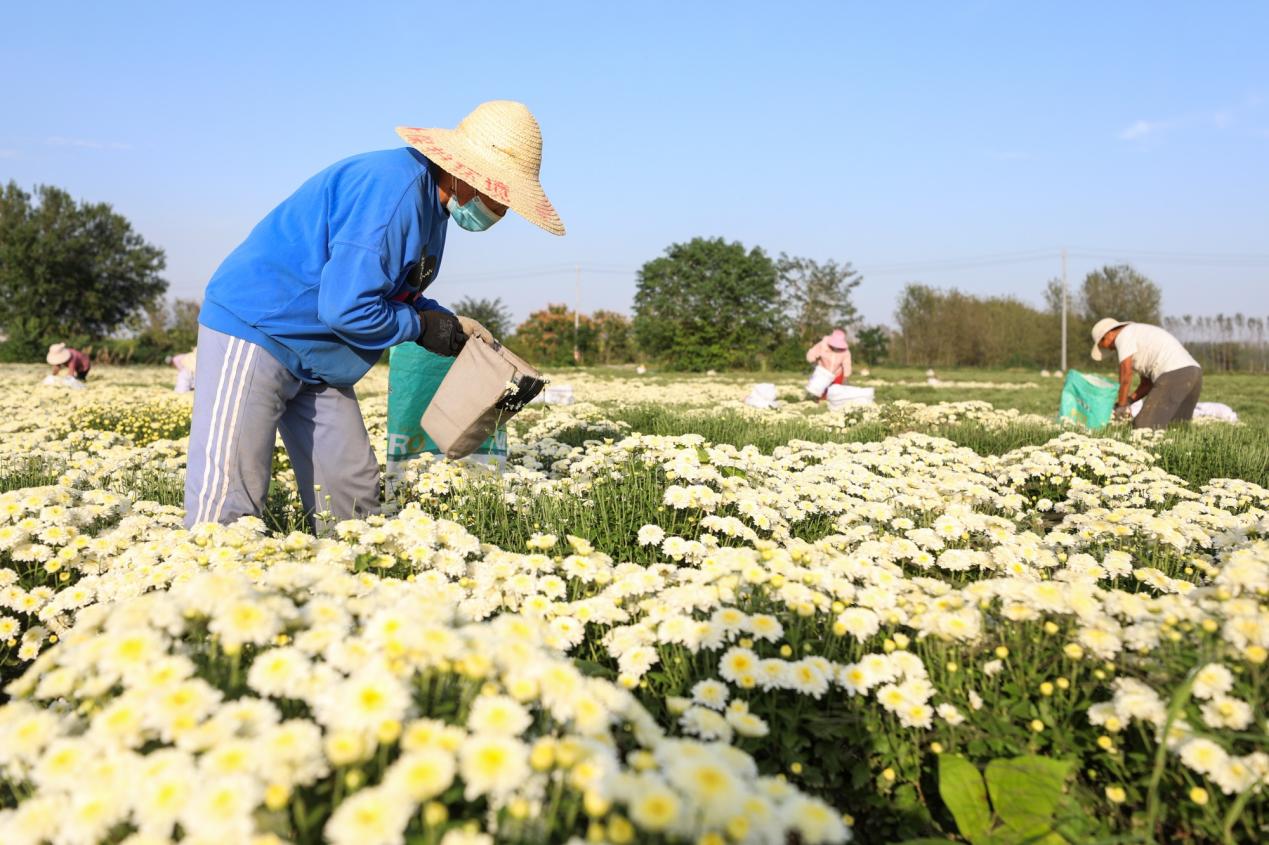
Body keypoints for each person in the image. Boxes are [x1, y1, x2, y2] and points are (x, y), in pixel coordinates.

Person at [184, 100, 564, 529]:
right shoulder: (393, 194)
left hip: (319, 352)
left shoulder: (432, 206)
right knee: (230, 501)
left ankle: (350, 583)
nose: (502, 209)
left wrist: (445, 324)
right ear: (466, 174)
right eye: (501, 195)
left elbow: (390, 288)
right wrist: (419, 327)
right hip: (260, 329)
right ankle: (206, 586)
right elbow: (347, 308)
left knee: (351, 501)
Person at [1090, 318, 1202, 429]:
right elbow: (1146, 385)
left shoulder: (1123, 336)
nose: (1110, 349)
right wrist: (1129, 400)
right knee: (1176, 427)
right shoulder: (1139, 335)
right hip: (1194, 373)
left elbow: (1126, 374)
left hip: (1175, 374)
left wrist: (1121, 404)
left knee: (1143, 427)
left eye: (1103, 344)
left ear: (1109, 334)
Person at [805, 329, 852, 398]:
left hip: (837, 374)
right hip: (822, 373)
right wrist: (813, 362)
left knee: (836, 394)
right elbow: (811, 353)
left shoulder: (845, 352)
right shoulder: (822, 345)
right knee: (821, 394)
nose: (836, 348)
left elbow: (847, 364)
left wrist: (845, 377)